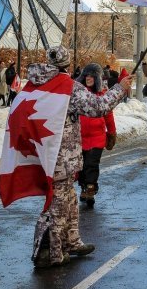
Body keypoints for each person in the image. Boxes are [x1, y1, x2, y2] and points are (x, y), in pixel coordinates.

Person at [32, 45, 132, 268]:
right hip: (61, 155)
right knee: (57, 205)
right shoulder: (66, 87)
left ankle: (72, 242)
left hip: (50, 152)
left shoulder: (37, 84)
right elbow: (99, 106)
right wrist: (121, 88)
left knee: (68, 200)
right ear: (67, 64)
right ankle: (53, 253)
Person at [77, 64, 117, 207]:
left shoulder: (102, 95)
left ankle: (90, 189)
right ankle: (83, 187)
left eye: (92, 75)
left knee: (91, 165)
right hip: (79, 138)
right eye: (86, 75)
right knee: (80, 166)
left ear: (97, 78)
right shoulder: (78, 94)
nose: (88, 78)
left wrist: (111, 133)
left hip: (97, 137)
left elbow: (108, 115)